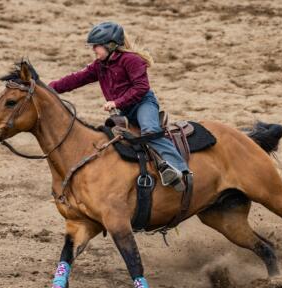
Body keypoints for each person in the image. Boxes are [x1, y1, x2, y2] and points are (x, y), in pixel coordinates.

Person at [48, 21, 190, 191]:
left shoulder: (132, 60)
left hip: (143, 104)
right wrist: (49, 89)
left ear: (111, 45)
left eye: (97, 46)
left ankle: (180, 169)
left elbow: (141, 87)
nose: (94, 50)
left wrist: (116, 102)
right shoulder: (99, 66)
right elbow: (77, 78)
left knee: (150, 130)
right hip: (123, 110)